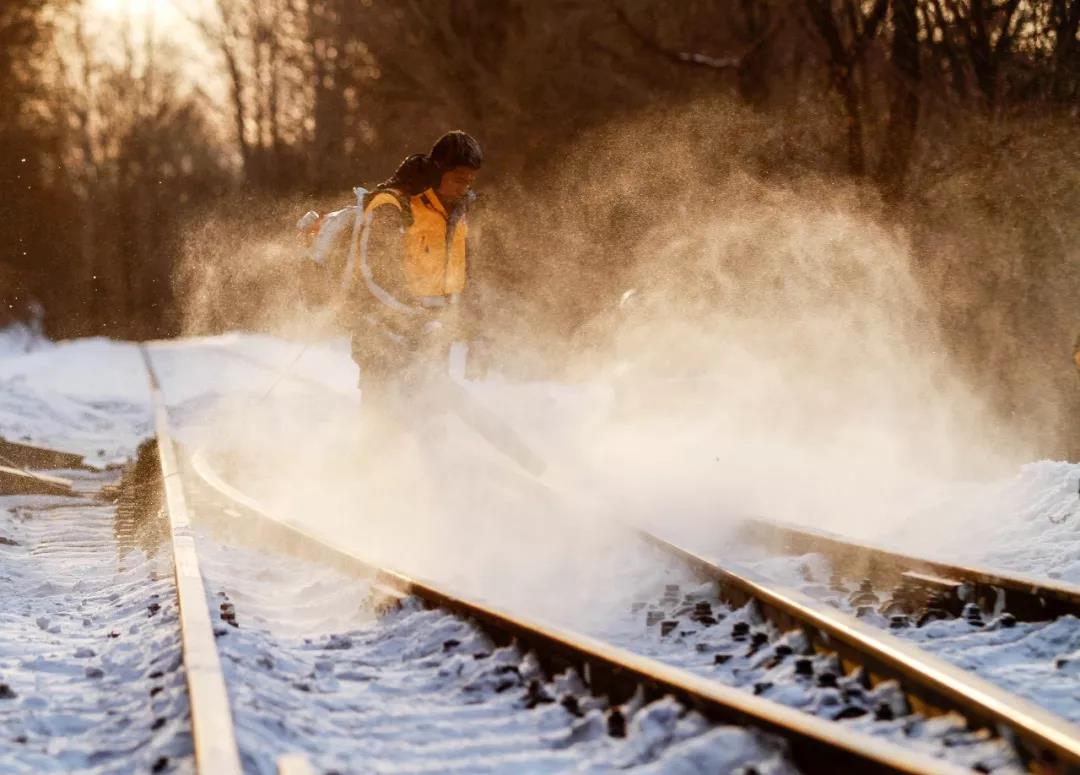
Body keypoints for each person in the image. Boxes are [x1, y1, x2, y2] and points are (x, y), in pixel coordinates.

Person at [346, 130, 483, 430]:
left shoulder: (457, 215)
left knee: (431, 425)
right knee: (383, 426)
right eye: (459, 178)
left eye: (470, 181)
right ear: (437, 171)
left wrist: (467, 326)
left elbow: (457, 279)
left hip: (432, 339)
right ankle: (364, 473)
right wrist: (412, 319)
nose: (465, 187)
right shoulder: (393, 205)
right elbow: (372, 274)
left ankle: (429, 474)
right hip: (382, 336)